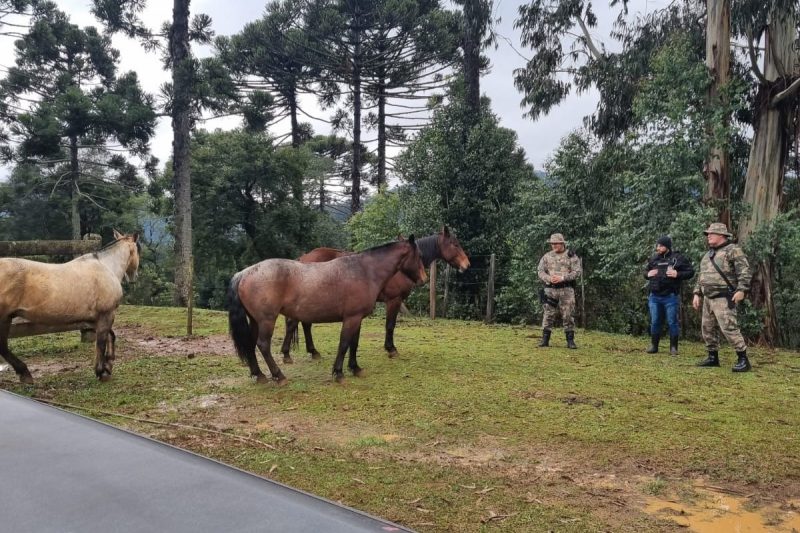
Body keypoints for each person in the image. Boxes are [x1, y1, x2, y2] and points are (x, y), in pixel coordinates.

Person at [692, 222, 752, 372]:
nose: (708, 236)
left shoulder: (733, 250)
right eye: (708, 234)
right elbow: (702, 276)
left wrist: (742, 290)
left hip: (724, 297)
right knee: (707, 328)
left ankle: (743, 359)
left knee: (729, 328)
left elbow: (744, 271)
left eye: (712, 234)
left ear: (721, 235)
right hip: (708, 298)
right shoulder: (708, 255)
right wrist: (697, 293)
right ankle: (712, 357)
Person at [644, 235, 694, 355]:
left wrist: (678, 274)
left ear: (667, 246)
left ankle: (673, 348)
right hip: (654, 296)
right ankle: (654, 346)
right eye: (658, 245)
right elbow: (646, 272)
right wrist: (647, 274)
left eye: (661, 246)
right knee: (655, 321)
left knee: (672, 322)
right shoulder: (654, 259)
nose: (658, 247)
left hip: (670, 296)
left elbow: (690, 272)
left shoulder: (677, 258)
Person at [537, 233, 582, 349]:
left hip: (566, 290)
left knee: (568, 315)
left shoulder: (571, 256)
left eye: (556, 243)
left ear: (562, 243)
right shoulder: (546, 256)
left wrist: (563, 278)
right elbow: (540, 271)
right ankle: (545, 340)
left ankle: (570, 341)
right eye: (552, 243)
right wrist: (548, 278)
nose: (553, 245)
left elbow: (577, 272)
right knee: (548, 314)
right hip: (550, 289)